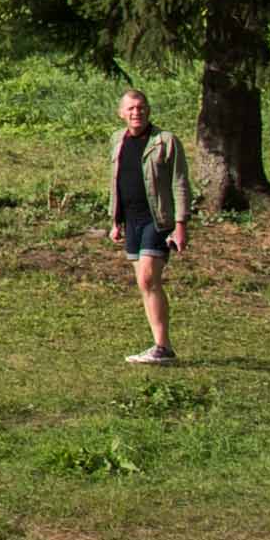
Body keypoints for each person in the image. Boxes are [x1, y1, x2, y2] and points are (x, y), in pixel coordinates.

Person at [105, 86, 187, 366]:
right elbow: (116, 181)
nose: (136, 112)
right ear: (121, 114)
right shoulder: (118, 140)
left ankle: (162, 347)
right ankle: (160, 346)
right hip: (132, 221)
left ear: (148, 110)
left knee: (148, 279)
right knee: (145, 284)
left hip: (158, 219)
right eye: (130, 108)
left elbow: (179, 183)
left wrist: (180, 225)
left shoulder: (165, 141)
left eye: (140, 107)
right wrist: (115, 221)